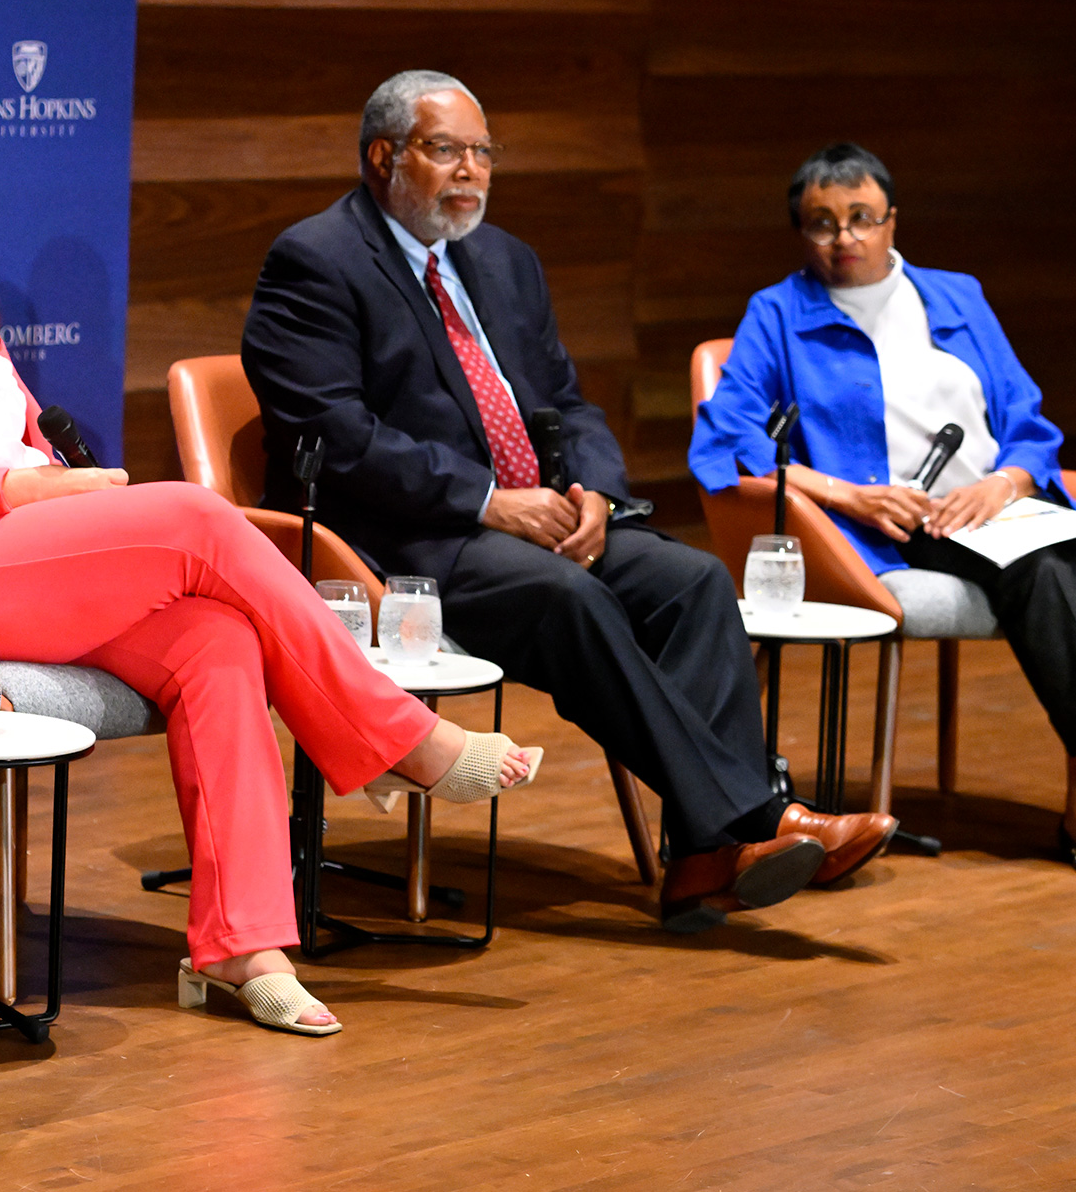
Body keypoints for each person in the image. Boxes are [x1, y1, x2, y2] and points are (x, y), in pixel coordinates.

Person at [0, 88, 540, 1037]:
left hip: (18, 550)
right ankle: (397, 738)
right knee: (198, 519)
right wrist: (13, 492)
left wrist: (49, 489)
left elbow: (29, 443)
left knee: (214, 639)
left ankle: (242, 947)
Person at [241, 70, 899, 933]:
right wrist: (488, 502)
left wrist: (594, 495)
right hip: (402, 544)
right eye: (446, 151)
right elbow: (336, 437)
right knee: (569, 598)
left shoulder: (505, 262)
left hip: (538, 519)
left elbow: (567, 403)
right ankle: (757, 817)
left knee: (693, 581)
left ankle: (704, 857)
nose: (471, 171)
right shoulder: (316, 261)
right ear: (383, 157)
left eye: (483, 152)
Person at [690, 142, 1076, 884]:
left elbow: (1028, 420)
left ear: (892, 220)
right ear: (801, 234)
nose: (844, 239)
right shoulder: (777, 313)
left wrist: (1006, 484)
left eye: (861, 218)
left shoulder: (956, 296)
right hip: (893, 526)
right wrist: (845, 493)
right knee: (1044, 574)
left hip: (992, 506)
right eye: (821, 224)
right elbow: (727, 440)